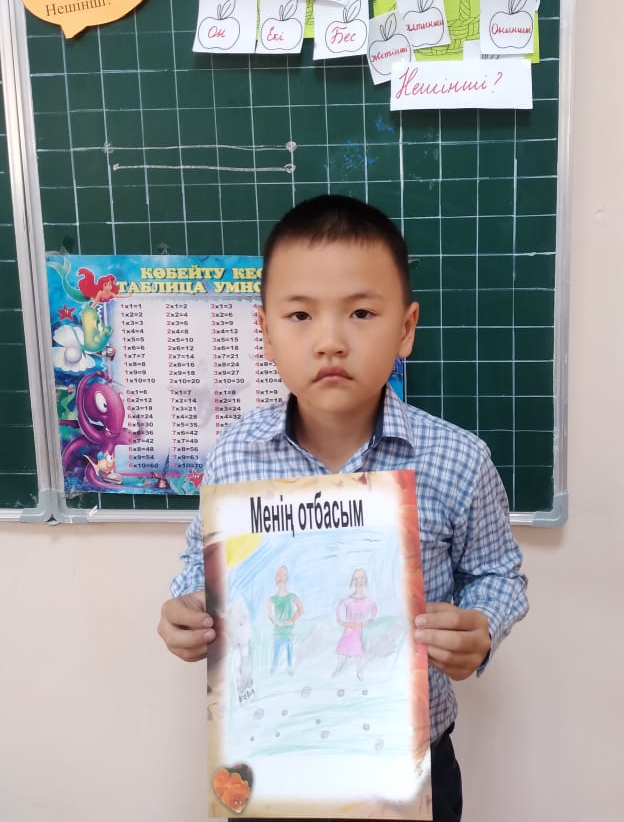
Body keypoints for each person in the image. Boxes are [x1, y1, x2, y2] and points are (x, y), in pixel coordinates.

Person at [158, 193, 529, 822]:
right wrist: (187, 610)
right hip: (272, 759)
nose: (330, 341)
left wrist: (482, 627)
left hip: (412, 764)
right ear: (265, 332)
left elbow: (499, 573)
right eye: (300, 315)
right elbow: (201, 565)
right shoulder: (234, 458)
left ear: (405, 329)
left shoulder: (458, 459)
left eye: (360, 312)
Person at [332, 567, 377, 680]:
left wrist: (362, 624)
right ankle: (339, 668)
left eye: (361, 578)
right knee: (342, 651)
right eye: (356, 579)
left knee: (358, 651)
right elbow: (338, 611)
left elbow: (373, 614)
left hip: (357, 631)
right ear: (352, 581)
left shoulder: (368, 602)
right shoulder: (348, 601)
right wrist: (344, 623)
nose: (359, 581)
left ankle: (359, 672)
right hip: (348, 631)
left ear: (365, 580)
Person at [265, 564, 303, 674]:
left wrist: (291, 620)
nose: (281, 578)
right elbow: (268, 612)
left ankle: (289, 667)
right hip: (278, 631)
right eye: (278, 575)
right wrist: (275, 621)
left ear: (287, 578)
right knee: (277, 649)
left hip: (288, 631)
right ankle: (274, 667)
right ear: (275, 578)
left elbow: (301, 609)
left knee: (289, 649)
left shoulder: (291, 596)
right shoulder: (273, 598)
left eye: (283, 575)